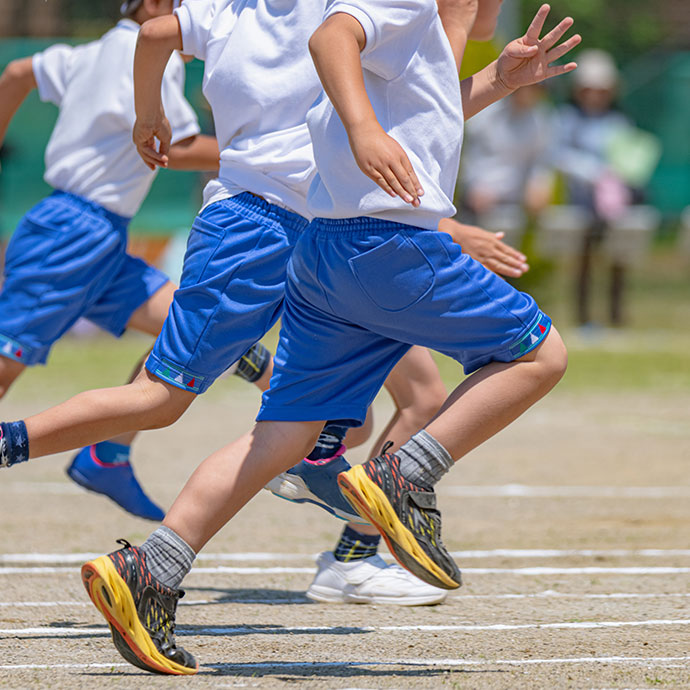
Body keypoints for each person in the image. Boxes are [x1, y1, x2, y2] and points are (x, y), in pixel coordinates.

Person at [77, 0, 577, 675]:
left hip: (327, 253)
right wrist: (365, 128)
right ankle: (408, 472)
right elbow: (330, 37)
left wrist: (500, 83)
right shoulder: (400, 3)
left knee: (282, 435)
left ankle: (151, 570)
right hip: (390, 246)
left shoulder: (421, 29)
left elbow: (423, 112)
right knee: (541, 354)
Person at [0, 0, 234, 519]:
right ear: (153, 6)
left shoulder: (92, 51)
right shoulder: (149, 54)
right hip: (72, 232)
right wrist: (269, 154)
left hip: (93, 232)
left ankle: (107, 454)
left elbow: (17, 71)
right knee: (4, 366)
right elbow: (183, 147)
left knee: (185, 324)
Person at [552, 49, 643, 327]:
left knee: (619, 257)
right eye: (589, 89)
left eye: (601, 90)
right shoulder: (567, 119)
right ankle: (583, 317)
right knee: (583, 261)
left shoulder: (619, 121)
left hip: (614, 206)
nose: (595, 95)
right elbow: (558, 154)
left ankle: (616, 315)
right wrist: (593, 173)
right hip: (581, 203)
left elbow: (628, 156)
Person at [459, 82, 555, 221]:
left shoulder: (541, 120)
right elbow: (468, 156)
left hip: (514, 203)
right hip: (479, 200)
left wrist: (539, 184)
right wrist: (473, 186)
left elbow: (540, 160)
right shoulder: (485, 113)